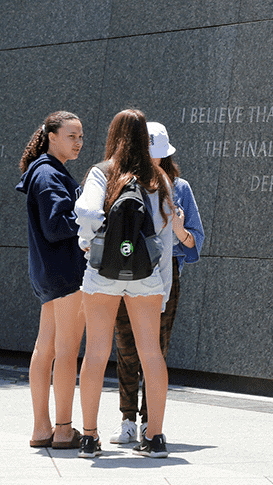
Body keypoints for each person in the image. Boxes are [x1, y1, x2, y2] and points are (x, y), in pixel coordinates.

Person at [75, 109, 174, 458]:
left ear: (113, 134)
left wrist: (87, 240)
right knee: (152, 354)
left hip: (103, 272)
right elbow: (165, 238)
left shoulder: (102, 173)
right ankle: (155, 437)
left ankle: (89, 437)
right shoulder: (158, 179)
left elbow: (86, 212)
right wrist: (161, 288)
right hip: (145, 275)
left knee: (97, 353)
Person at [109, 121, 204, 444]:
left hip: (166, 273)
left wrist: (178, 230)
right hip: (123, 270)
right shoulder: (117, 181)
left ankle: (152, 420)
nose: (155, 162)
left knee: (156, 348)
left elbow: (195, 242)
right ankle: (126, 418)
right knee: (125, 346)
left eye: (160, 157)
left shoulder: (179, 187)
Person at [16, 111, 86, 450]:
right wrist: (89, 213)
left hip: (50, 274)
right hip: (66, 274)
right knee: (65, 351)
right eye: (71, 135)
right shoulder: (48, 174)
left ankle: (43, 429)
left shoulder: (45, 171)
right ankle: (62, 429)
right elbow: (57, 225)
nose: (78, 142)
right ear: (51, 136)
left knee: (46, 349)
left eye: (81, 136)